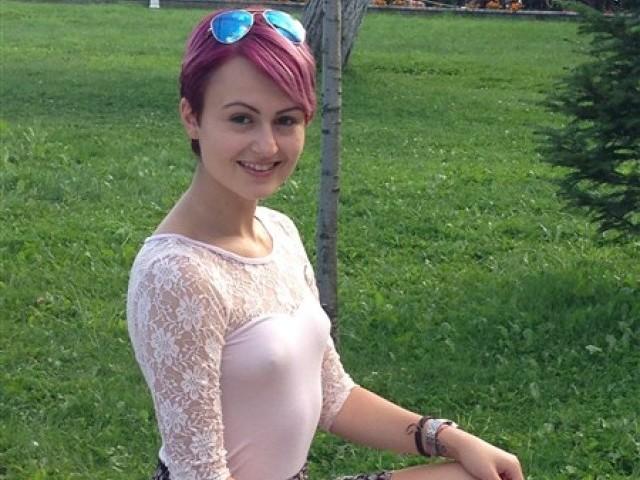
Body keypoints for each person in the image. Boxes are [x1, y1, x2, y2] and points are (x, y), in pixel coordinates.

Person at [126, 8, 524, 480]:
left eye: (286, 120)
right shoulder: (177, 274)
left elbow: (332, 393)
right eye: (241, 119)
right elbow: (200, 473)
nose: (267, 146)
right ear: (192, 118)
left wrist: (447, 438)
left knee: (481, 476)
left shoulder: (279, 232)